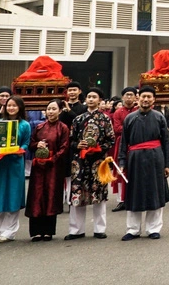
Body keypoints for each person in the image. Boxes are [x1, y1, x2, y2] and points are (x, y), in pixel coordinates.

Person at [120, 86, 169, 240]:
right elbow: (123, 142)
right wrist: (122, 162)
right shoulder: (129, 118)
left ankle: (153, 228)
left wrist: (167, 164)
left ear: (154, 100)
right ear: (138, 98)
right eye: (143, 96)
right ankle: (133, 229)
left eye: (149, 97)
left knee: (154, 191)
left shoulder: (159, 117)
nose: (146, 99)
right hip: (134, 159)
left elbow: (166, 142)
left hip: (155, 158)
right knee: (134, 193)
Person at [66, 87, 115, 240]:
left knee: (99, 194)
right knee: (77, 194)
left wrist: (99, 148)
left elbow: (111, 139)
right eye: (89, 97)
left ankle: (99, 229)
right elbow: (71, 140)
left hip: (98, 162)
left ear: (100, 100)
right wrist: (77, 145)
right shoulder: (78, 119)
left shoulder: (105, 119)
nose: (91, 99)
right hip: (79, 161)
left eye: (94, 97)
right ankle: (76, 230)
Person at [0, 95, 32, 242]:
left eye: (14, 105)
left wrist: (17, 149)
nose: (11, 108)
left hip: (14, 163)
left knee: (12, 195)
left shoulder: (24, 125)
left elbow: (26, 144)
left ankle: (9, 231)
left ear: (20, 108)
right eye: (9, 105)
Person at [26, 99, 69, 241]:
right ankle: (36, 231)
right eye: (49, 109)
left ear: (60, 111)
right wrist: (37, 145)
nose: (50, 111)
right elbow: (31, 143)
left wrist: (53, 159)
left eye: (54, 109)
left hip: (54, 168)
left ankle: (48, 231)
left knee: (50, 196)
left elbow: (64, 147)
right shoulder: (39, 127)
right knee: (36, 196)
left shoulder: (63, 128)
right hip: (38, 167)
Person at [110, 86, 138, 212]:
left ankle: (134, 197)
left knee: (135, 171)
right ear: (122, 97)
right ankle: (121, 200)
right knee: (120, 172)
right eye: (126, 95)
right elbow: (117, 129)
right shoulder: (118, 112)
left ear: (135, 96)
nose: (129, 97)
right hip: (121, 144)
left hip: (136, 144)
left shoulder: (139, 110)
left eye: (131, 94)